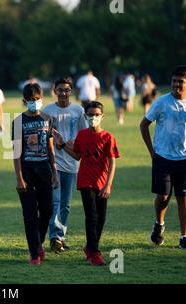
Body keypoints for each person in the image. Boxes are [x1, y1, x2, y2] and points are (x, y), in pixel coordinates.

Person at [53, 101, 119, 266]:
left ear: (102, 117)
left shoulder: (108, 137)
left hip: (102, 183)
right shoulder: (82, 135)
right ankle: (94, 252)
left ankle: (90, 247)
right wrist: (61, 144)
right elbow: (77, 155)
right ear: (85, 116)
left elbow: (112, 162)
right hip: (85, 181)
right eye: (90, 115)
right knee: (92, 216)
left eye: (97, 115)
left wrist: (108, 185)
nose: (93, 117)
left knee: (101, 218)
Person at [140, 65, 186, 250]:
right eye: (174, 81)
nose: (176, 85)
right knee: (163, 196)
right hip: (162, 156)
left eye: (181, 82)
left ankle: (184, 237)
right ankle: (159, 224)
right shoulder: (161, 102)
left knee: (183, 197)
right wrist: (152, 152)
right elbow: (144, 124)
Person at [12, 83, 59, 265]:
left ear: (42, 98)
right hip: (27, 172)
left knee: (47, 210)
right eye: (31, 100)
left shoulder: (48, 119)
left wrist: (54, 172)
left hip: (44, 171)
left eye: (37, 99)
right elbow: (16, 152)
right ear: (24, 101)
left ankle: (38, 241)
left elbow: (50, 147)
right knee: (30, 214)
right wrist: (19, 178)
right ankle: (34, 253)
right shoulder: (18, 122)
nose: (35, 102)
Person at [43, 76, 88, 253]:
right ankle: (54, 237)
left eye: (67, 90)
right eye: (60, 90)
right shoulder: (48, 111)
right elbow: (43, 137)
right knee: (55, 202)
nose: (63, 93)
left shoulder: (78, 110)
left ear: (71, 91)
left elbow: (84, 135)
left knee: (66, 204)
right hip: (53, 163)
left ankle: (61, 236)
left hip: (72, 162)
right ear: (55, 91)